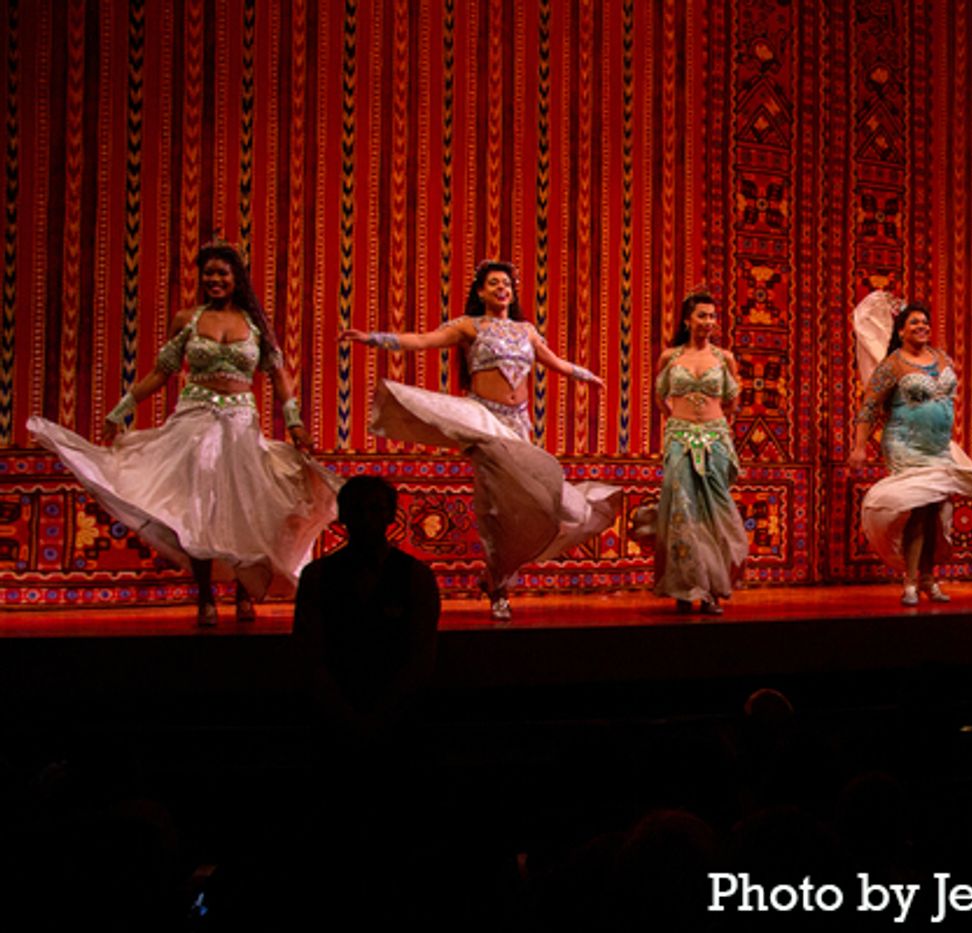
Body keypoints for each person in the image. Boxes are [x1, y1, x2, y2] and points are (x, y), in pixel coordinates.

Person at [27, 239, 339, 626]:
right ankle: (206, 596)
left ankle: (244, 592)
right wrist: (121, 410)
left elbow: (279, 376)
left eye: (221, 273)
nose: (214, 279)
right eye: (208, 273)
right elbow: (162, 372)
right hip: (195, 420)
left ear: (235, 277)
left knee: (246, 506)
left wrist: (294, 423)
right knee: (199, 508)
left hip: (241, 423)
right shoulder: (188, 319)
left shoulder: (254, 322)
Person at [341, 259, 619, 621]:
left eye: (507, 283)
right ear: (481, 292)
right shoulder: (469, 326)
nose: (502, 288)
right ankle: (500, 588)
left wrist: (587, 376)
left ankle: (500, 573)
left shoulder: (526, 331)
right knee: (497, 512)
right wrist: (374, 339)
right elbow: (423, 340)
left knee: (546, 505)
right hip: (485, 423)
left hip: (519, 427)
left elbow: (557, 363)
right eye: (493, 283)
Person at [849, 293, 972, 605]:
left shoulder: (942, 358)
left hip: (938, 448)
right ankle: (910, 581)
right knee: (919, 510)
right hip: (905, 446)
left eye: (924, 322)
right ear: (902, 331)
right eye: (914, 323)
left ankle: (929, 578)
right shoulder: (892, 365)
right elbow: (869, 408)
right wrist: (859, 447)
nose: (921, 326)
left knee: (935, 512)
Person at [293, 475, 439, 741]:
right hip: (335, 719)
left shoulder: (416, 576)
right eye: (358, 510)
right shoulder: (317, 576)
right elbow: (309, 653)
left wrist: (383, 715)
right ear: (344, 516)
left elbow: (421, 655)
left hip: (398, 721)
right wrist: (344, 716)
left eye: (375, 510)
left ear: (390, 516)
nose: (367, 520)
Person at [651, 290, 748, 614]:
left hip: (715, 439)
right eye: (701, 316)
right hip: (679, 438)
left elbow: (733, 401)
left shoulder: (724, 359)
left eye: (712, 316)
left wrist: (714, 426)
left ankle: (713, 588)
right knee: (682, 511)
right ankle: (684, 585)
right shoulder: (670, 357)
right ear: (687, 320)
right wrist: (677, 425)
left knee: (713, 512)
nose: (708, 322)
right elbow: (659, 397)